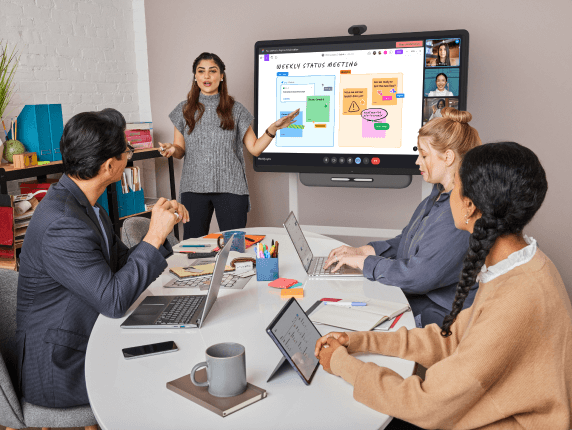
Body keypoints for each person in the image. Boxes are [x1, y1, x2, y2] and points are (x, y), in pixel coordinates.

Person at [315, 142, 572, 429]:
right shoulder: (519, 264)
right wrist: (358, 341)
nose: (448, 194)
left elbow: (425, 405)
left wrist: (340, 364)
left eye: (455, 185)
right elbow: (452, 339)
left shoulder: (517, 297)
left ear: (469, 206)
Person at [16, 109, 189, 409]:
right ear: (110, 166)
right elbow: (113, 300)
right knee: (164, 376)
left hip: (87, 336)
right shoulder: (62, 223)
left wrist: (160, 233)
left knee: (174, 349)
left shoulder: (85, 205)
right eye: (127, 151)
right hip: (59, 366)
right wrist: (154, 236)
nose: (129, 156)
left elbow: (120, 264)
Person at [324, 108, 482, 327]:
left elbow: (418, 276)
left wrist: (365, 263)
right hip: (420, 300)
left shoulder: (459, 211)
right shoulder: (439, 193)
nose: (417, 161)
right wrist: (363, 252)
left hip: (439, 313)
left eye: (424, 155)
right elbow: (407, 241)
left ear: (448, 157)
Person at [160, 52, 299, 239]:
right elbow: (180, 149)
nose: (207, 76)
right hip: (193, 188)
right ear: (195, 77)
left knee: (235, 247)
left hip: (231, 188)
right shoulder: (184, 109)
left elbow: (255, 148)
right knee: (192, 247)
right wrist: (172, 149)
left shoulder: (236, 109)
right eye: (201, 71)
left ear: (222, 75)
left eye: (212, 71)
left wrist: (273, 128)